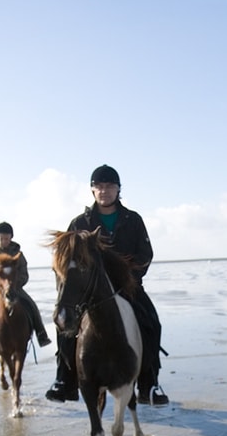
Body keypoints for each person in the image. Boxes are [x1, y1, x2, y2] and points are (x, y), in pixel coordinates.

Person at [45, 164, 169, 405]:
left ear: (118, 190)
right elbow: (65, 260)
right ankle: (64, 380)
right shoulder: (79, 223)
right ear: (92, 191)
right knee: (65, 325)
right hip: (88, 293)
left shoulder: (133, 220)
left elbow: (145, 254)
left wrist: (128, 279)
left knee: (152, 323)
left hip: (127, 288)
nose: (104, 191)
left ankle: (150, 383)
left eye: (110, 186)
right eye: (99, 187)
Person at [0, 222, 51, 354]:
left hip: (15, 288)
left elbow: (24, 273)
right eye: (1, 238)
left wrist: (15, 285)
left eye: (6, 238)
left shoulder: (18, 254)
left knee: (32, 305)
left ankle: (42, 334)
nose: (4, 241)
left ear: (11, 237)